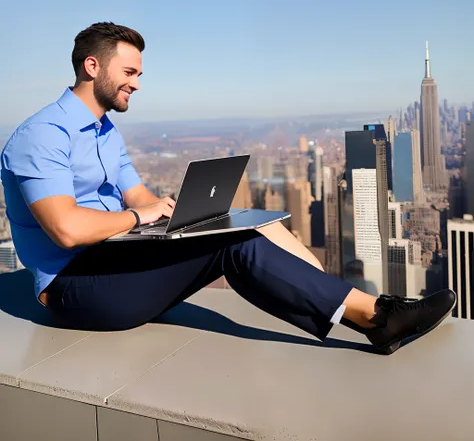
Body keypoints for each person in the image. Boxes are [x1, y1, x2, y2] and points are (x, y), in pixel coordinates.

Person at [1, 22, 456, 355]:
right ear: (92, 64)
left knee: (230, 224)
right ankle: (377, 318)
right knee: (233, 246)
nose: (137, 84)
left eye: (139, 74)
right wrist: (141, 217)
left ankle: (350, 301)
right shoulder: (43, 135)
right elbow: (65, 229)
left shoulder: (104, 132)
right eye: (130, 73)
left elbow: (135, 195)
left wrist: (165, 210)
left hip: (116, 261)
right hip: (73, 289)